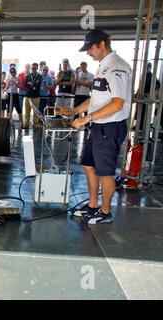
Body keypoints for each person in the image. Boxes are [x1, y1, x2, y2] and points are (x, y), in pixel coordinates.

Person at [57, 29, 131, 224]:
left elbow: (117, 103)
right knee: (88, 164)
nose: (88, 53)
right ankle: (92, 205)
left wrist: (86, 119)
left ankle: (105, 212)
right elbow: (95, 98)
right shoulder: (103, 66)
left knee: (105, 172)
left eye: (90, 48)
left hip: (111, 127)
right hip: (99, 126)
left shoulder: (116, 67)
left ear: (102, 44)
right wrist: (73, 112)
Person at [23, 63, 42, 129]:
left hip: (36, 96)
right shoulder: (28, 76)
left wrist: (31, 84)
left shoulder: (39, 76)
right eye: (32, 68)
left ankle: (36, 124)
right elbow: (25, 84)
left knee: (36, 111)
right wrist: (33, 84)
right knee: (27, 111)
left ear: (37, 68)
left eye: (35, 68)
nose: (33, 69)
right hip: (28, 96)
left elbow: (38, 84)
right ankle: (26, 124)